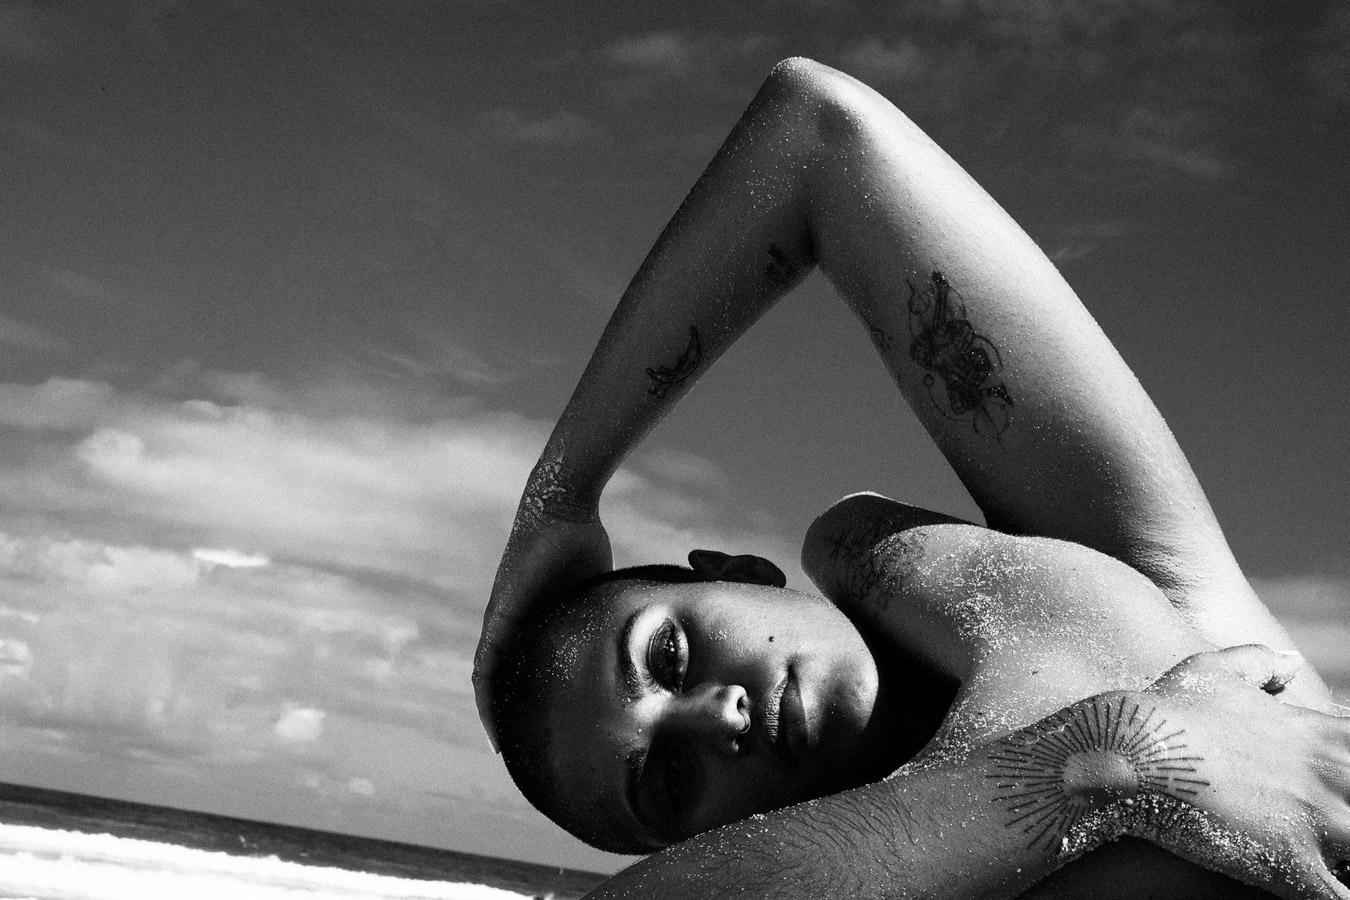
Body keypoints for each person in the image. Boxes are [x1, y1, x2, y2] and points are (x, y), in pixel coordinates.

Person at [474, 58, 1350, 899]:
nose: (717, 717)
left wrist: (561, 493)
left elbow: (816, 133)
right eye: (668, 780)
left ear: (736, 573)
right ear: (709, 844)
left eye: (667, 655)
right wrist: (1101, 762)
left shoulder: (1142, 577)